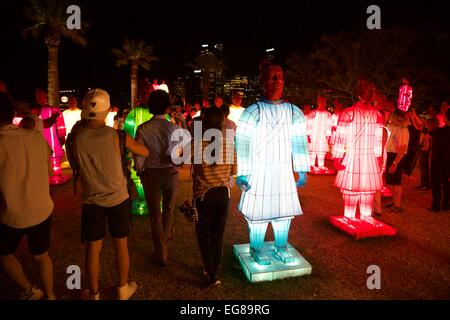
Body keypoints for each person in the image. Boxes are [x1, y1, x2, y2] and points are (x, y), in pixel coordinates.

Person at [66, 89, 148, 300]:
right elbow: (144, 151)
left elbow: (75, 165)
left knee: (93, 249)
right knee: (121, 246)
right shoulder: (117, 135)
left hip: (92, 200)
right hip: (119, 197)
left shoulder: (74, 139)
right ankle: (122, 288)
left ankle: (93, 293)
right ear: (107, 110)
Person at [235, 60, 309, 265]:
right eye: (272, 76)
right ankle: (256, 248)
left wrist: (302, 168)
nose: (277, 80)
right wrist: (243, 173)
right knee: (259, 213)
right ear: (263, 81)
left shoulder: (294, 112)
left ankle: (281, 246)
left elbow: (300, 141)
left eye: (280, 76)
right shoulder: (252, 112)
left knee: (283, 213)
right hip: (260, 172)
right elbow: (242, 144)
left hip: (284, 172)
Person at [0, 92, 56, 300]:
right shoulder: (33, 137)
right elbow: (50, 170)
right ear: (13, 112)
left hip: (11, 215)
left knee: (4, 253)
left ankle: (30, 290)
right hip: (42, 209)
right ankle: (51, 296)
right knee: (41, 255)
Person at [135, 90, 181, 267]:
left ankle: (161, 252)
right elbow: (178, 154)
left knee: (154, 215)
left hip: (151, 174)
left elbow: (139, 155)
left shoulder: (143, 128)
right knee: (168, 210)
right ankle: (166, 235)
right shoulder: (174, 128)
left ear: (150, 107)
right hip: (171, 173)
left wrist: (140, 170)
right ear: (168, 107)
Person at [192, 106, 237, 287]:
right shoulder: (228, 144)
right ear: (222, 123)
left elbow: (195, 171)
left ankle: (210, 273)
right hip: (223, 195)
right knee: (217, 234)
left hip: (204, 195)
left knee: (204, 234)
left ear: (204, 123)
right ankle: (214, 268)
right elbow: (234, 172)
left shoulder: (197, 145)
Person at [333, 79, 383, 220]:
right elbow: (377, 139)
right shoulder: (376, 114)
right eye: (368, 92)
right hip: (364, 158)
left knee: (359, 191)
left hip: (358, 157)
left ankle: (360, 217)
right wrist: (378, 158)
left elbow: (339, 137)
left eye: (370, 92)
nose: (369, 95)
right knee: (361, 191)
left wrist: (337, 157)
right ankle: (357, 216)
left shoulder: (349, 113)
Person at [384, 110, 409, 213]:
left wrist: (395, 163)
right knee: (391, 181)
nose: (391, 119)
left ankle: (397, 205)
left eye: (392, 117)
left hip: (397, 156)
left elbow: (402, 149)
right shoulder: (390, 127)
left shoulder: (403, 130)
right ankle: (394, 201)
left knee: (397, 181)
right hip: (389, 154)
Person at [429, 108, 450, 212]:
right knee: (447, 184)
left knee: (436, 184)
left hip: (438, 161)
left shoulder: (438, 132)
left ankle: (436, 205)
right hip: (448, 162)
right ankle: (446, 204)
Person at [307, 95, 332, 172]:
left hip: (322, 136)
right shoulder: (313, 113)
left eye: (324, 102)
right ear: (318, 103)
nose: (322, 104)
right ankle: (312, 165)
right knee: (313, 150)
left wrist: (328, 135)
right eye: (321, 102)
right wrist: (308, 134)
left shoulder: (328, 114)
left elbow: (328, 125)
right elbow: (309, 124)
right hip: (314, 135)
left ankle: (321, 165)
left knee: (322, 151)